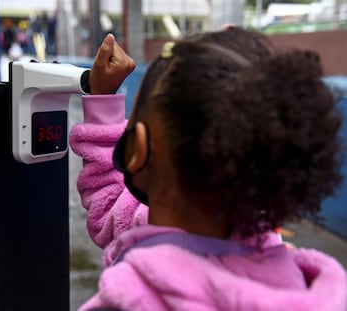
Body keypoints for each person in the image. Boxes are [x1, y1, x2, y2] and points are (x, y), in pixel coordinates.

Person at [69, 27, 347, 310]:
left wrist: (102, 96)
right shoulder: (286, 268)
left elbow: (109, 206)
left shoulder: (123, 299)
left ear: (137, 150)